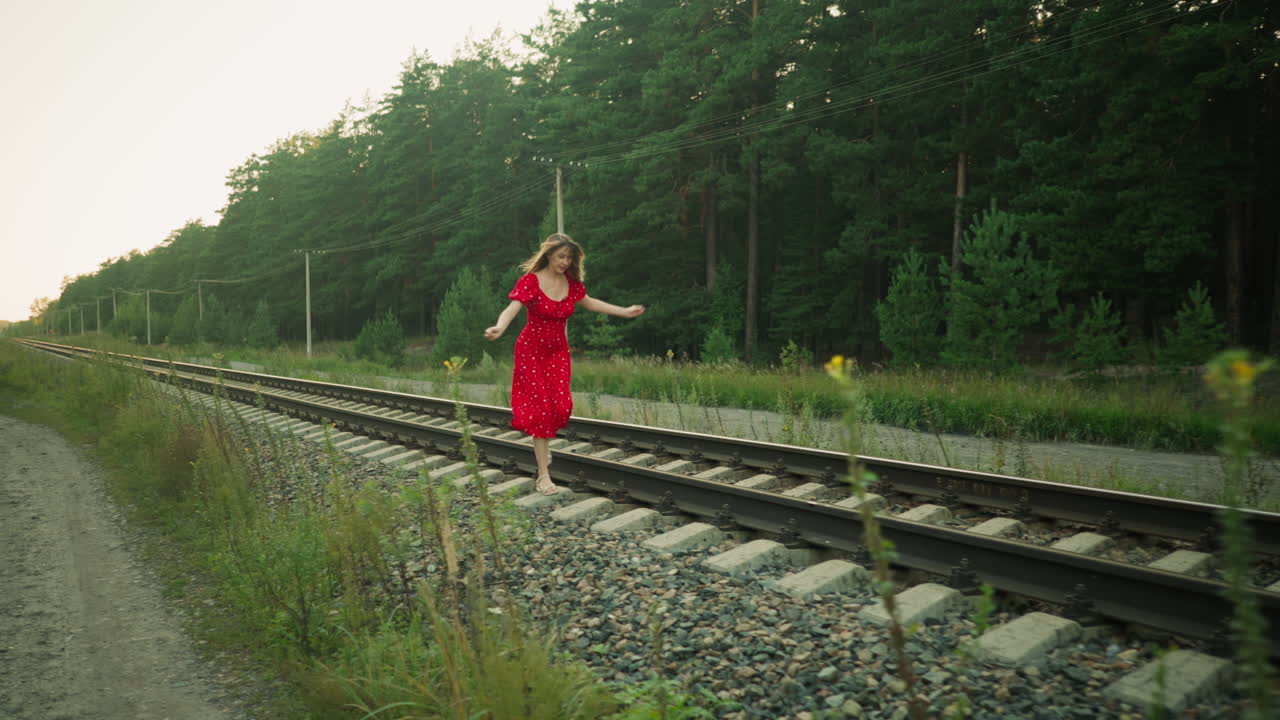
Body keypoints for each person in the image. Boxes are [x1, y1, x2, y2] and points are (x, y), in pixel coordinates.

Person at [484, 233, 645, 495]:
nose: (564, 262)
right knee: (540, 410)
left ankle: (544, 449)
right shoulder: (531, 281)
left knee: (560, 407)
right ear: (548, 255)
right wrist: (500, 327)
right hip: (531, 351)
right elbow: (512, 308)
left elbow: (591, 303)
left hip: (557, 352)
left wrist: (624, 311)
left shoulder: (571, 283)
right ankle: (543, 475)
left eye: (569, 258)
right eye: (561, 256)